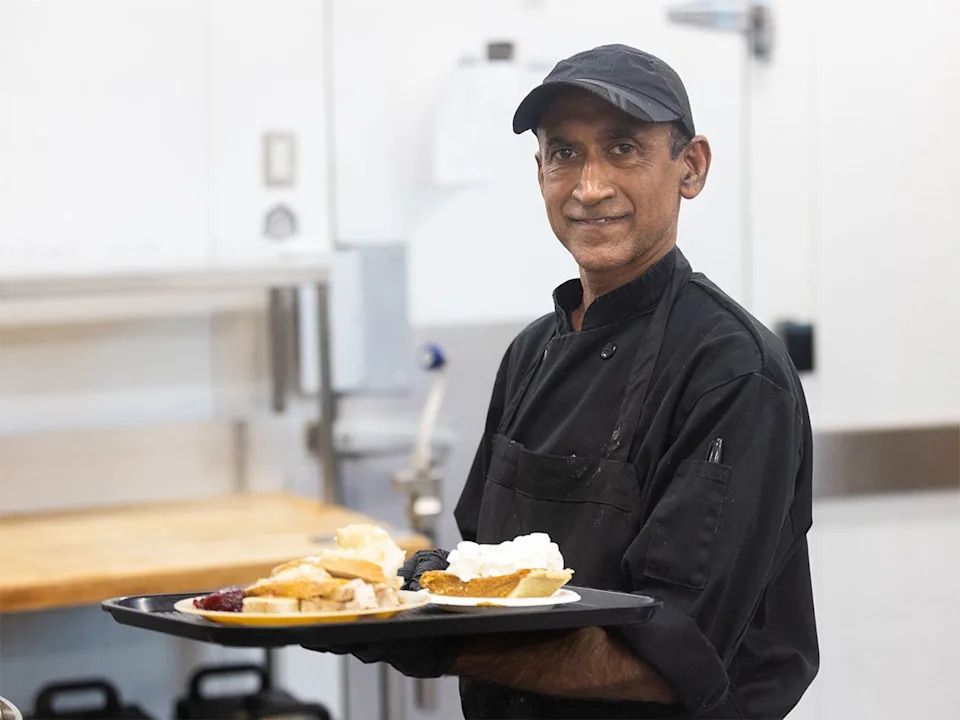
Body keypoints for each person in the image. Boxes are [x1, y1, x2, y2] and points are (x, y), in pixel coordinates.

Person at [319, 44, 819, 719]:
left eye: (622, 149)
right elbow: (488, 581)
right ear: (539, 172)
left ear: (690, 168)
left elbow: (666, 660)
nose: (589, 186)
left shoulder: (733, 373)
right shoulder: (532, 353)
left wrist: (428, 641)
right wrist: (399, 588)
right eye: (564, 153)